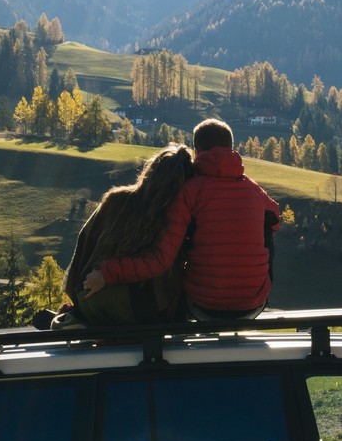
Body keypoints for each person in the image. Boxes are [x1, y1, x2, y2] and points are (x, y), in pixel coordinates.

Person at [84, 118, 279, 320]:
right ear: (231, 148)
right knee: (266, 225)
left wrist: (108, 273)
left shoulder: (189, 192)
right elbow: (276, 219)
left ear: (197, 152)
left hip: (202, 306)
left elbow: (161, 260)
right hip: (253, 305)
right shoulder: (255, 190)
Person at [59, 144, 195, 327]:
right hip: (149, 315)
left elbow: (84, 245)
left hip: (94, 301)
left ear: (151, 170)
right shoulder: (176, 221)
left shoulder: (116, 200)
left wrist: (78, 293)